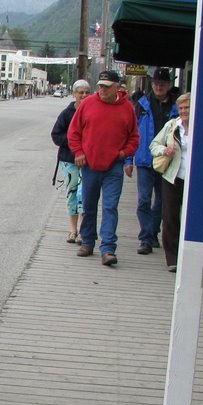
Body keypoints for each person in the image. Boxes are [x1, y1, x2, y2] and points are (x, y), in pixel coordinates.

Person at [67, 69, 139, 266]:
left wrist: (125, 154)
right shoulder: (88, 104)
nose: (102, 90)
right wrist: (79, 152)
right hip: (89, 165)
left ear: (117, 87)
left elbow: (134, 137)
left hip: (114, 167)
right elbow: (73, 132)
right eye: (100, 86)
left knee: (110, 207)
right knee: (89, 205)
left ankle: (107, 248)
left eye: (107, 87)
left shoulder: (127, 108)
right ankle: (88, 242)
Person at [133, 67, 180, 255]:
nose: (158, 86)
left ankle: (152, 233)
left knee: (162, 200)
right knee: (144, 199)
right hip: (145, 159)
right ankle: (146, 237)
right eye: (155, 83)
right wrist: (129, 159)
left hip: (167, 159)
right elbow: (133, 132)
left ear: (169, 86)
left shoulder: (177, 108)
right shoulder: (141, 104)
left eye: (162, 84)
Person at [149, 93, 190, 272]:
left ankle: (188, 254)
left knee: (190, 217)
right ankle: (172, 257)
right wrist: (164, 150)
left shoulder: (201, 127)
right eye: (181, 108)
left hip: (193, 179)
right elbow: (153, 145)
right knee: (171, 216)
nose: (183, 111)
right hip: (173, 176)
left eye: (187, 107)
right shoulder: (172, 126)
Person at [51, 79, 90, 243]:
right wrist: (73, 142)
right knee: (72, 193)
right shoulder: (67, 114)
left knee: (84, 194)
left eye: (87, 92)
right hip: (69, 160)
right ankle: (73, 230)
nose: (84, 95)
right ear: (74, 94)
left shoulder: (92, 112)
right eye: (80, 92)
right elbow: (56, 135)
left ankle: (83, 230)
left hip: (88, 161)